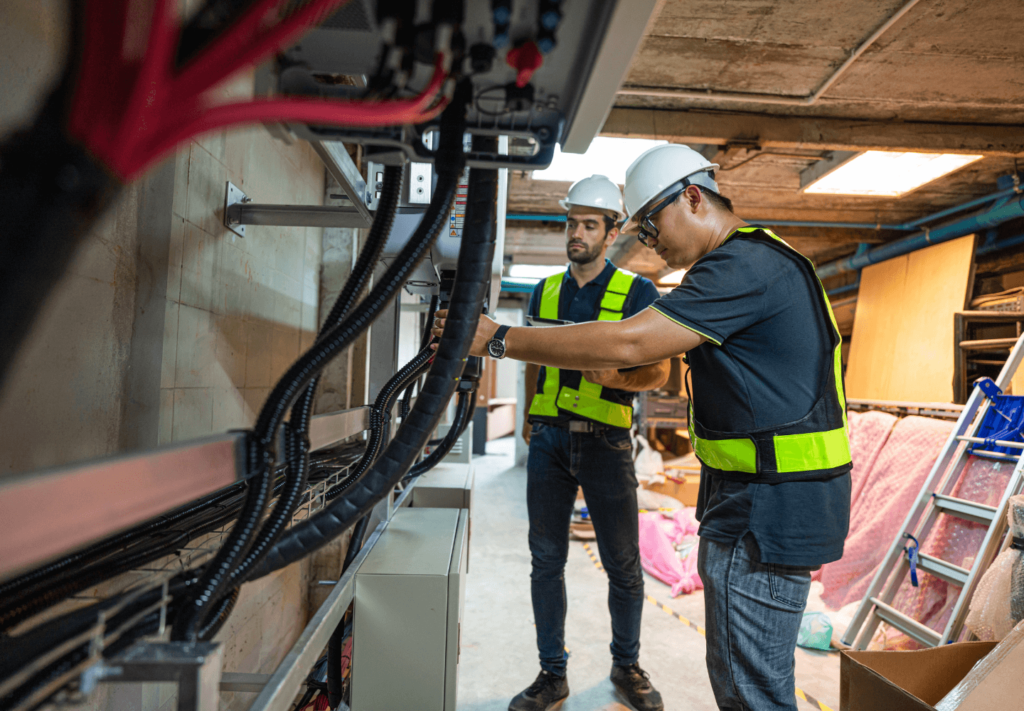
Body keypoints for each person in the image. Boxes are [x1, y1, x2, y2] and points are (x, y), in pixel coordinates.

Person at [434, 146, 852, 711]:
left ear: (693, 197)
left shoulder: (742, 266)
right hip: (751, 496)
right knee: (742, 681)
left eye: (651, 226)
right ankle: (551, 671)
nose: (651, 243)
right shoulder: (749, 263)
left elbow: (633, 343)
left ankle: (626, 663)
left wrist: (499, 339)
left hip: (767, 504)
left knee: (750, 688)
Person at [510, 174, 670, 711]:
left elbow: (660, 371)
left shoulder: (638, 292)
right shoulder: (545, 290)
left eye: (588, 225)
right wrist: (531, 414)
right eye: (571, 223)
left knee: (623, 564)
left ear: (611, 232)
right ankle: (551, 674)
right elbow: (531, 355)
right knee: (545, 561)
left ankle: (627, 667)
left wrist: (620, 378)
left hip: (607, 443)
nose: (576, 233)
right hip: (550, 441)